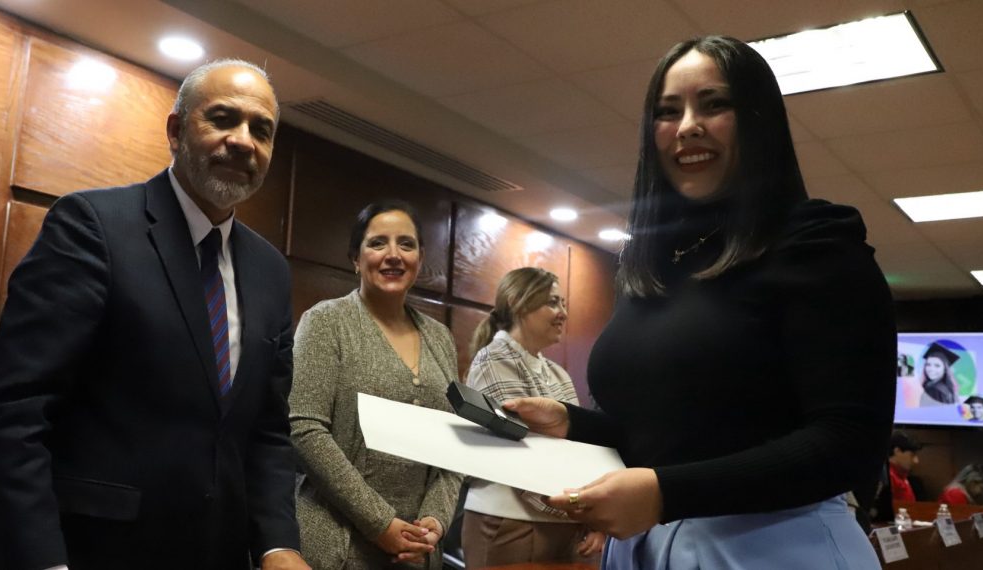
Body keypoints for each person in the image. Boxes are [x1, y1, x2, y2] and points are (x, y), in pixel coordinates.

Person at [504, 36, 894, 569]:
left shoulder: (817, 245)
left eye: (714, 104)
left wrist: (666, 493)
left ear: (758, 120)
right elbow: (672, 433)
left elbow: (848, 441)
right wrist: (574, 425)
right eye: (668, 112)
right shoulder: (654, 264)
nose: (688, 125)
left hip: (776, 547)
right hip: (649, 544)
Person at [0, 60, 309, 570]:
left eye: (261, 130)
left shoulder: (270, 270)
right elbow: (16, 412)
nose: (243, 141)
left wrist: (277, 543)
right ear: (175, 131)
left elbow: (267, 430)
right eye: (222, 119)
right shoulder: (92, 226)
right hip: (86, 551)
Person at [289, 200, 463, 569]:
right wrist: (379, 523)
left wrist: (435, 520)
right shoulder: (325, 322)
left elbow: (453, 443)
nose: (393, 255)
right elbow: (305, 430)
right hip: (338, 547)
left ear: (420, 258)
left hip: (416, 552)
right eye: (378, 243)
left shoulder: (441, 338)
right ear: (356, 258)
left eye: (406, 244)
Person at [460, 267, 605, 568]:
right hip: (510, 521)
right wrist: (583, 510)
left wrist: (590, 516)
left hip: (565, 521)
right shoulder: (493, 359)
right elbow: (519, 459)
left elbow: (579, 452)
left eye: (563, 303)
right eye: (552, 302)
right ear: (517, 303)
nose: (563, 313)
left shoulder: (557, 372)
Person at [886, 431, 922, 503]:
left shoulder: (901, 476)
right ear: (897, 451)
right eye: (912, 455)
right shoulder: (889, 477)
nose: (916, 461)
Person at [920, 342, 960, 406]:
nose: (931, 369)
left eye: (937, 366)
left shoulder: (933, 390)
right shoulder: (948, 388)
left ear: (945, 369)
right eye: (928, 364)